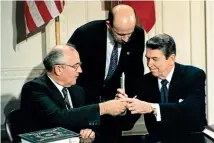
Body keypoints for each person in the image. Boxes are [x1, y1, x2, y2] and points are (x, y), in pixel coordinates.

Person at [67, 4, 145, 136]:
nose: (126, 39)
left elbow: (135, 73)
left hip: (112, 105)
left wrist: (127, 104)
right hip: (85, 102)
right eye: (121, 34)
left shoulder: (137, 34)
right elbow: (69, 70)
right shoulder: (85, 34)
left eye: (129, 34)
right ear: (108, 25)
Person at [20, 45, 128, 140]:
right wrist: (104, 108)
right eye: (75, 66)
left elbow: (87, 117)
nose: (80, 70)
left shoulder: (76, 90)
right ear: (58, 69)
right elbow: (58, 117)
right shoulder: (34, 89)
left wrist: (90, 129)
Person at [117, 34, 207, 135]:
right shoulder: (144, 82)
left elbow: (193, 111)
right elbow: (127, 124)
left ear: (171, 59)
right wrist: (123, 108)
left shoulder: (193, 75)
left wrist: (152, 108)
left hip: (191, 139)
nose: (149, 64)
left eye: (155, 59)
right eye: (147, 58)